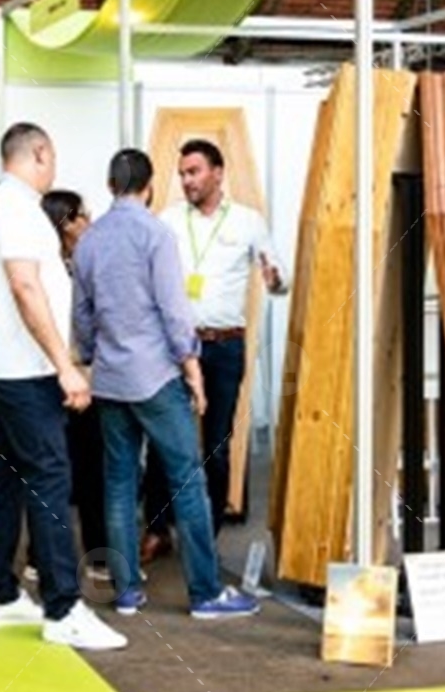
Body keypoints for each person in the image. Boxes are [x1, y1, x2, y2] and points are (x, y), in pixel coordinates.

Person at [73, 149, 260, 621]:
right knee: (188, 481)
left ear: (110, 185)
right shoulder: (157, 234)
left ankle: (127, 591)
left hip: (110, 380)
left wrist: (95, 356)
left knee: (119, 483)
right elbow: (174, 310)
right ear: (150, 186)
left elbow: (82, 314)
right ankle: (205, 593)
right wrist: (192, 368)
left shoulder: (90, 240)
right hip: (155, 376)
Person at [0, 122, 126, 651]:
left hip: (8, 364)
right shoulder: (15, 208)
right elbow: (25, 285)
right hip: (27, 368)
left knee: (6, 481)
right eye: (53, 158)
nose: (54, 169)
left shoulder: (1, 206)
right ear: (39, 153)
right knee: (49, 478)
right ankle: (63, 608)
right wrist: (65, 364)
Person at [143, 138, 291, 561]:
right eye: (183, 174)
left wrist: (275, 279)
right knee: (163, 441)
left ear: (218, 173)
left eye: (194, 172)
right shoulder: (169, 221)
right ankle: (157, 529)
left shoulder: (248, 221)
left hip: (225, 347)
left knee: (216, 445)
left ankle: (205, 537)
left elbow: (280, 281)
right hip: (175, 347)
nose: (187, 180)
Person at [41, 189, 108, 576]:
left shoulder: (90, 263)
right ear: (67, 223)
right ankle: (44, 556)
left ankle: (95, 555)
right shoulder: (50, 270)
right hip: (59, 374)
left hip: (82, 374)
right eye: (84, 215)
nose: (89, 221)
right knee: (59, 470)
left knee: (87, 468)